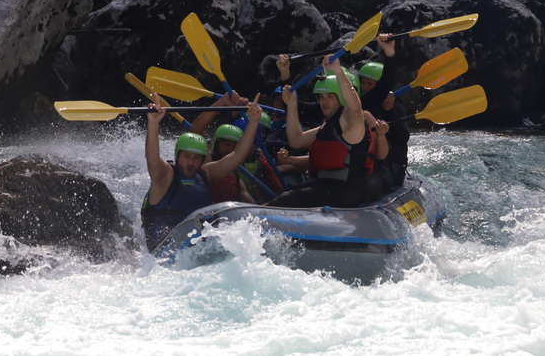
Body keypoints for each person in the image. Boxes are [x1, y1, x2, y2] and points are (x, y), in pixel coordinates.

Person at [141, 93, 262, 252]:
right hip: (163, 252)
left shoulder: (206, 175)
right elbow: (152, 158)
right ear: (178, 155)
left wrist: (253, 121)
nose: (191, 162)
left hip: (194, 251)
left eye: (197, 158)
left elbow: (237, 156)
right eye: (187, 156)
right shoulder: (164, 176)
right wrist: (153, 124)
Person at [267, 56, 375, 208]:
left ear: (341, 98)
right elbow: (296, 140)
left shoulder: (351, 122)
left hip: (347, 191)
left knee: (286, 199)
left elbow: (355, 106)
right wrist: (291, 105)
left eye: (330, 97)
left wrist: (338, 71)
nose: (324, 101)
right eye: (322, 97)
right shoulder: (328, 125)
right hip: (325, 185)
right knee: (288, 193)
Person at [358, 34, 410, 187]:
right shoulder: (363, 102)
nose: (365, 87)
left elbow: (402, 138)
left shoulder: (395, 105)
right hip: (370, 161)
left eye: (370, 84)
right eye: (364, 83)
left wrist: (389, 112)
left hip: (392, 166)